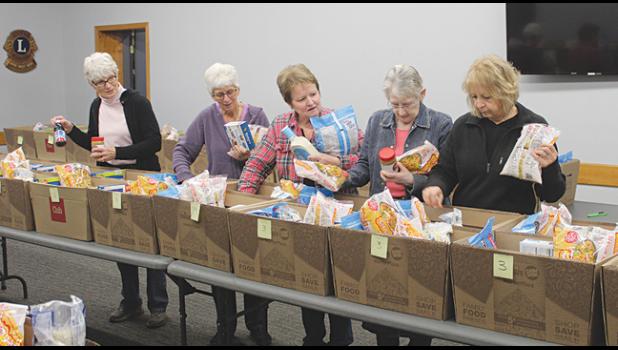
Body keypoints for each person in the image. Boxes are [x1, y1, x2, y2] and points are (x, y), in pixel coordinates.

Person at [238, 64, 361, 346]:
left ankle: (342, 340)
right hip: (300, 215)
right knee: (309, 280)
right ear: (289, 102)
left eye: (314, 94)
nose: (311, 102)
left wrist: (331, 162)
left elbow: (362, 161)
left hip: (337, 215)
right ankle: (313, 338)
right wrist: (244, 199)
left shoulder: (338, 122)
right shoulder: (282, 126)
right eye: (302, 99)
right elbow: (257, 162)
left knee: (338, 281)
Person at [51, 52, 168, 329]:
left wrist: (119, 151)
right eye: (101, 82)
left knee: (149, 242)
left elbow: (154, 142)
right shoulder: (96, 105)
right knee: (122, 240)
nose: (108, 85)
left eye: (111, 78)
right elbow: (95, 143)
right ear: (92, 85)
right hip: (111, 176)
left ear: (117, 75)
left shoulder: (137, 102)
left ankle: (158, 306)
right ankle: (131, 301)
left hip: (142, 175)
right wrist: (70, 131)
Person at [344, 64, 453, 346]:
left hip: (420, 217)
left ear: (423, 94)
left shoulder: (441, 124)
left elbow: (445, 175)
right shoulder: (378, 120)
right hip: (383, 216)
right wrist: (342, 178)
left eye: (408, 104)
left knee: (420, 292)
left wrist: (411, 180)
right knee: (383, 287)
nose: (402, 112)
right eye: (395, 105)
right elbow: (365, 165)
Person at [172, 63, 272, 346]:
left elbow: (271, 157)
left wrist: (249, 157)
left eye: (230, 92)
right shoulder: (206, 118)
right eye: (218, 95)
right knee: (220, 265)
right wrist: (187, 179)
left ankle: (258, 326)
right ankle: (225, 325)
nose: (226, 100)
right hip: (218, 201)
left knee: (254, 265)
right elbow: (182, 150)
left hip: (252, 202)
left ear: (238, 90)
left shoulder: (257, 115)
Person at [422, 54, 565, 215]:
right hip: (467, 220)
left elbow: (551, 195)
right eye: (474, 97)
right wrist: (436, 185)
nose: (478, 104)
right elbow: (445, 171)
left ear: (506, 92)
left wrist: (550, 168)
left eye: (486, 97)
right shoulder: (464, 126)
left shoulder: (534, 128)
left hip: (513, 224)